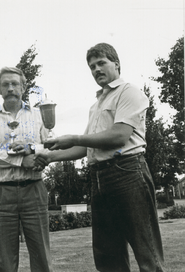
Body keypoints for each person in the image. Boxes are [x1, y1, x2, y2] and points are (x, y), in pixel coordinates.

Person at [36, 43, 165, 272]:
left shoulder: (129, 92)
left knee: (148, 256)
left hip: (127, 173)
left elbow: (118, 136)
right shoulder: (96, 105)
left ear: (116, 64)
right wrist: (51, 156)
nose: (96, 69)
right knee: (108, 258)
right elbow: (88, 149)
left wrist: (73, 137)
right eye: (92, 66)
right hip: (99, 179)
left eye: (101, 63)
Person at [0, 67, 53, 272]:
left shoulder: (39, 115)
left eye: (14, 83)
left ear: (23, 87)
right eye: (5, 84)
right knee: (3, 260)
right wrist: (21, 161)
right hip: (2, 191)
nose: (10, 88)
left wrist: (32, 149)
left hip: (34, 188)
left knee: (41, 256)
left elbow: (51, 145)